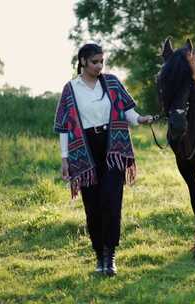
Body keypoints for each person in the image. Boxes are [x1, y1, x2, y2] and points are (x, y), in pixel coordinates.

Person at [53, 42, 153, 276]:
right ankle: (99, 256)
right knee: (93, 206)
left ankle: (110, 255)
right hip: (84, 152)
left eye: (102, 61)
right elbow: (64, 128)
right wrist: (65, 159)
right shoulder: (71, 88)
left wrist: (140, 119)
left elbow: (127, 112)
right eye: (95, 62)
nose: (99, 66)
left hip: (113, 149)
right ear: (83, 62)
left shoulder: (112, 82)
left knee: (111, 202)